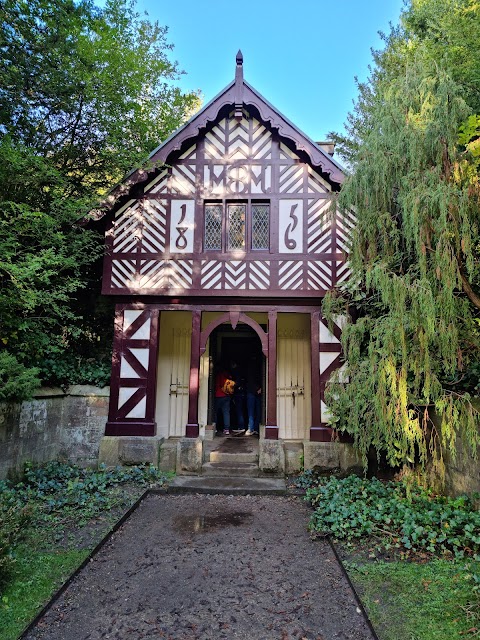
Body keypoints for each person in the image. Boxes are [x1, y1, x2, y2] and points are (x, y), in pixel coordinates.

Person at [214, 365, 233, 436]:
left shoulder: (218, 375)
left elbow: (217, 384)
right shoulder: (228, 375)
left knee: (215, 412)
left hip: (218, 395)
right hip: (227, 395)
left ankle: (215, 428)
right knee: (226, 412)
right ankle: (226, 429)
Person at [245, 355, 262, 436]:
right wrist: (260, 388)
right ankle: (256, 428)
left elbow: (250, 380)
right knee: (258, 411)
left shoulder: (249, 368)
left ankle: (251, 428)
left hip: (251, 392)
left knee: (251, 412)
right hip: (258, 392)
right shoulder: (260, 367)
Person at [230, 360, 246, 434]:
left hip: (238, 394)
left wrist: (232, 384)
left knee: (239, 410)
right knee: (240, 410)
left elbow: (237, 383)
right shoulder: (241, 372)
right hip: (242, 393)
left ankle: (241, 426)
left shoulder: (236, 372)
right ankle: (241, 426)